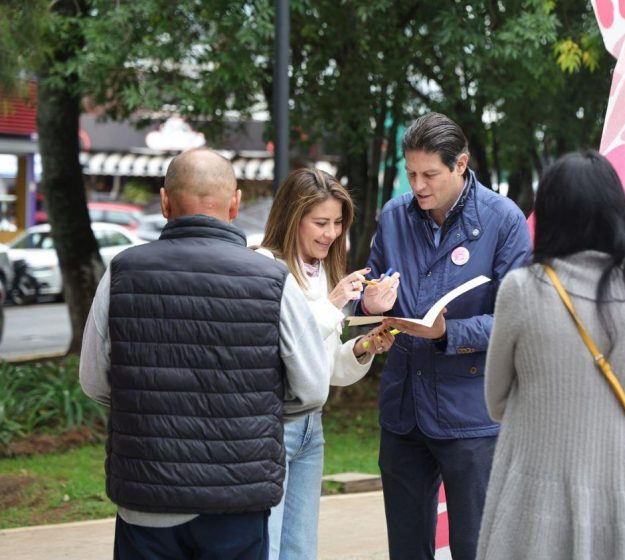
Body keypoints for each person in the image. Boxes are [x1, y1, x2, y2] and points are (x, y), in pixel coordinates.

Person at [79, 148, 329, 560]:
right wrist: (256, 411)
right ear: (235, 203)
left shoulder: (122, 272)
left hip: (147, 498)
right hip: (238, 500)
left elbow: (94, 380)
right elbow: (313, 388)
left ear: (164, 201)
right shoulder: (272, 280)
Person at [476, 150, 625, 559]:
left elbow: (496, 402)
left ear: (550, 214)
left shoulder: (522, 290)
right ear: (617, 212)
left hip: (534, 507)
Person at [358, 112, 532, 560]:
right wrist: (370, 302)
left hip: (472, 413)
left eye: (429, 174)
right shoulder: (395, 215)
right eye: (411, 173)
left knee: (476, 547)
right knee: (407, 548)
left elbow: (518, 319)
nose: (417, 185)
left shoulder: (503, 220)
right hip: (403, 408)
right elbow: (371, 287)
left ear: (461, 164)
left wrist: (447, 333)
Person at [257, 167, 397, 560]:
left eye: (338, 223)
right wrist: (333, 305)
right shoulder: (264, 266)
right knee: (266, 544)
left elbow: (324, 364)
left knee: (300, 549)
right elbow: (274, 351)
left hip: (310, 428)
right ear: (292, 218)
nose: (331, 233)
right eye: (320, 222)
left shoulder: (322, 271)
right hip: (271, 426)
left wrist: (361, 348)